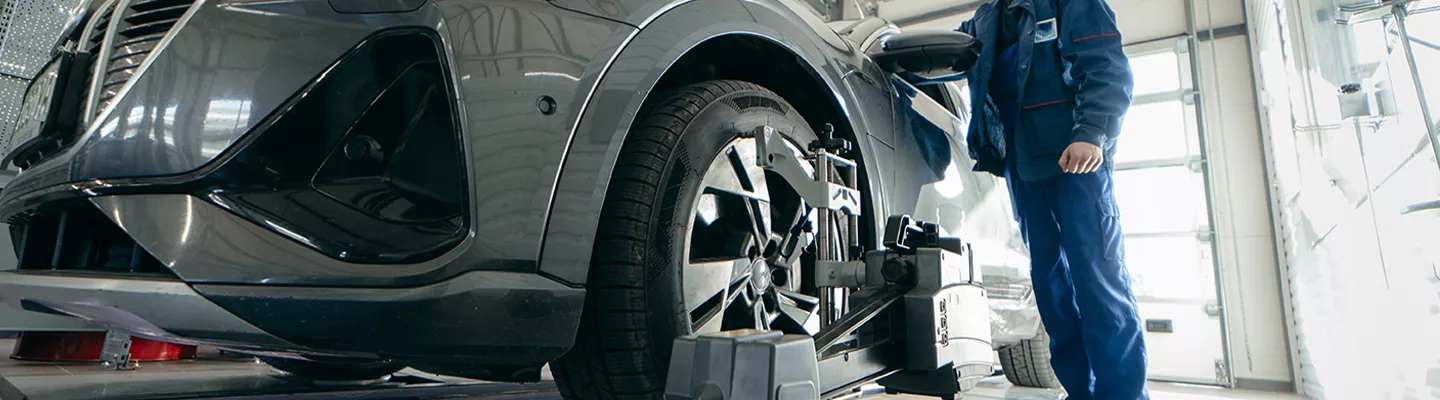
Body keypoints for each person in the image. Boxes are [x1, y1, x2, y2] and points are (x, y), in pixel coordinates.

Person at [956, 0, 1149, 399]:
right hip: (1023, 167)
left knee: (1098, 282)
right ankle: (1079, 391)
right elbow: (948, 59)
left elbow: (1104, 63)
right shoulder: (983, 19)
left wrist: (1092, 131)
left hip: (1074, 161)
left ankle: (1122, 395)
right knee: (1051, 289)